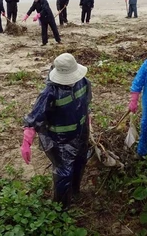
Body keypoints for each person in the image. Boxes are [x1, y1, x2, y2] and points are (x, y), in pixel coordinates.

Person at [21, 53, 91, 209]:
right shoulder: (50, 92)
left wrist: (88, 120)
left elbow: (86, 102)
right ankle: (61, 208)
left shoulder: (83, 82)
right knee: (64, 172)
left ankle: (74, 191)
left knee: (80, 161)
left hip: (80, 132)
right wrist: (27, 140)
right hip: (59, 140)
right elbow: (35, 116)